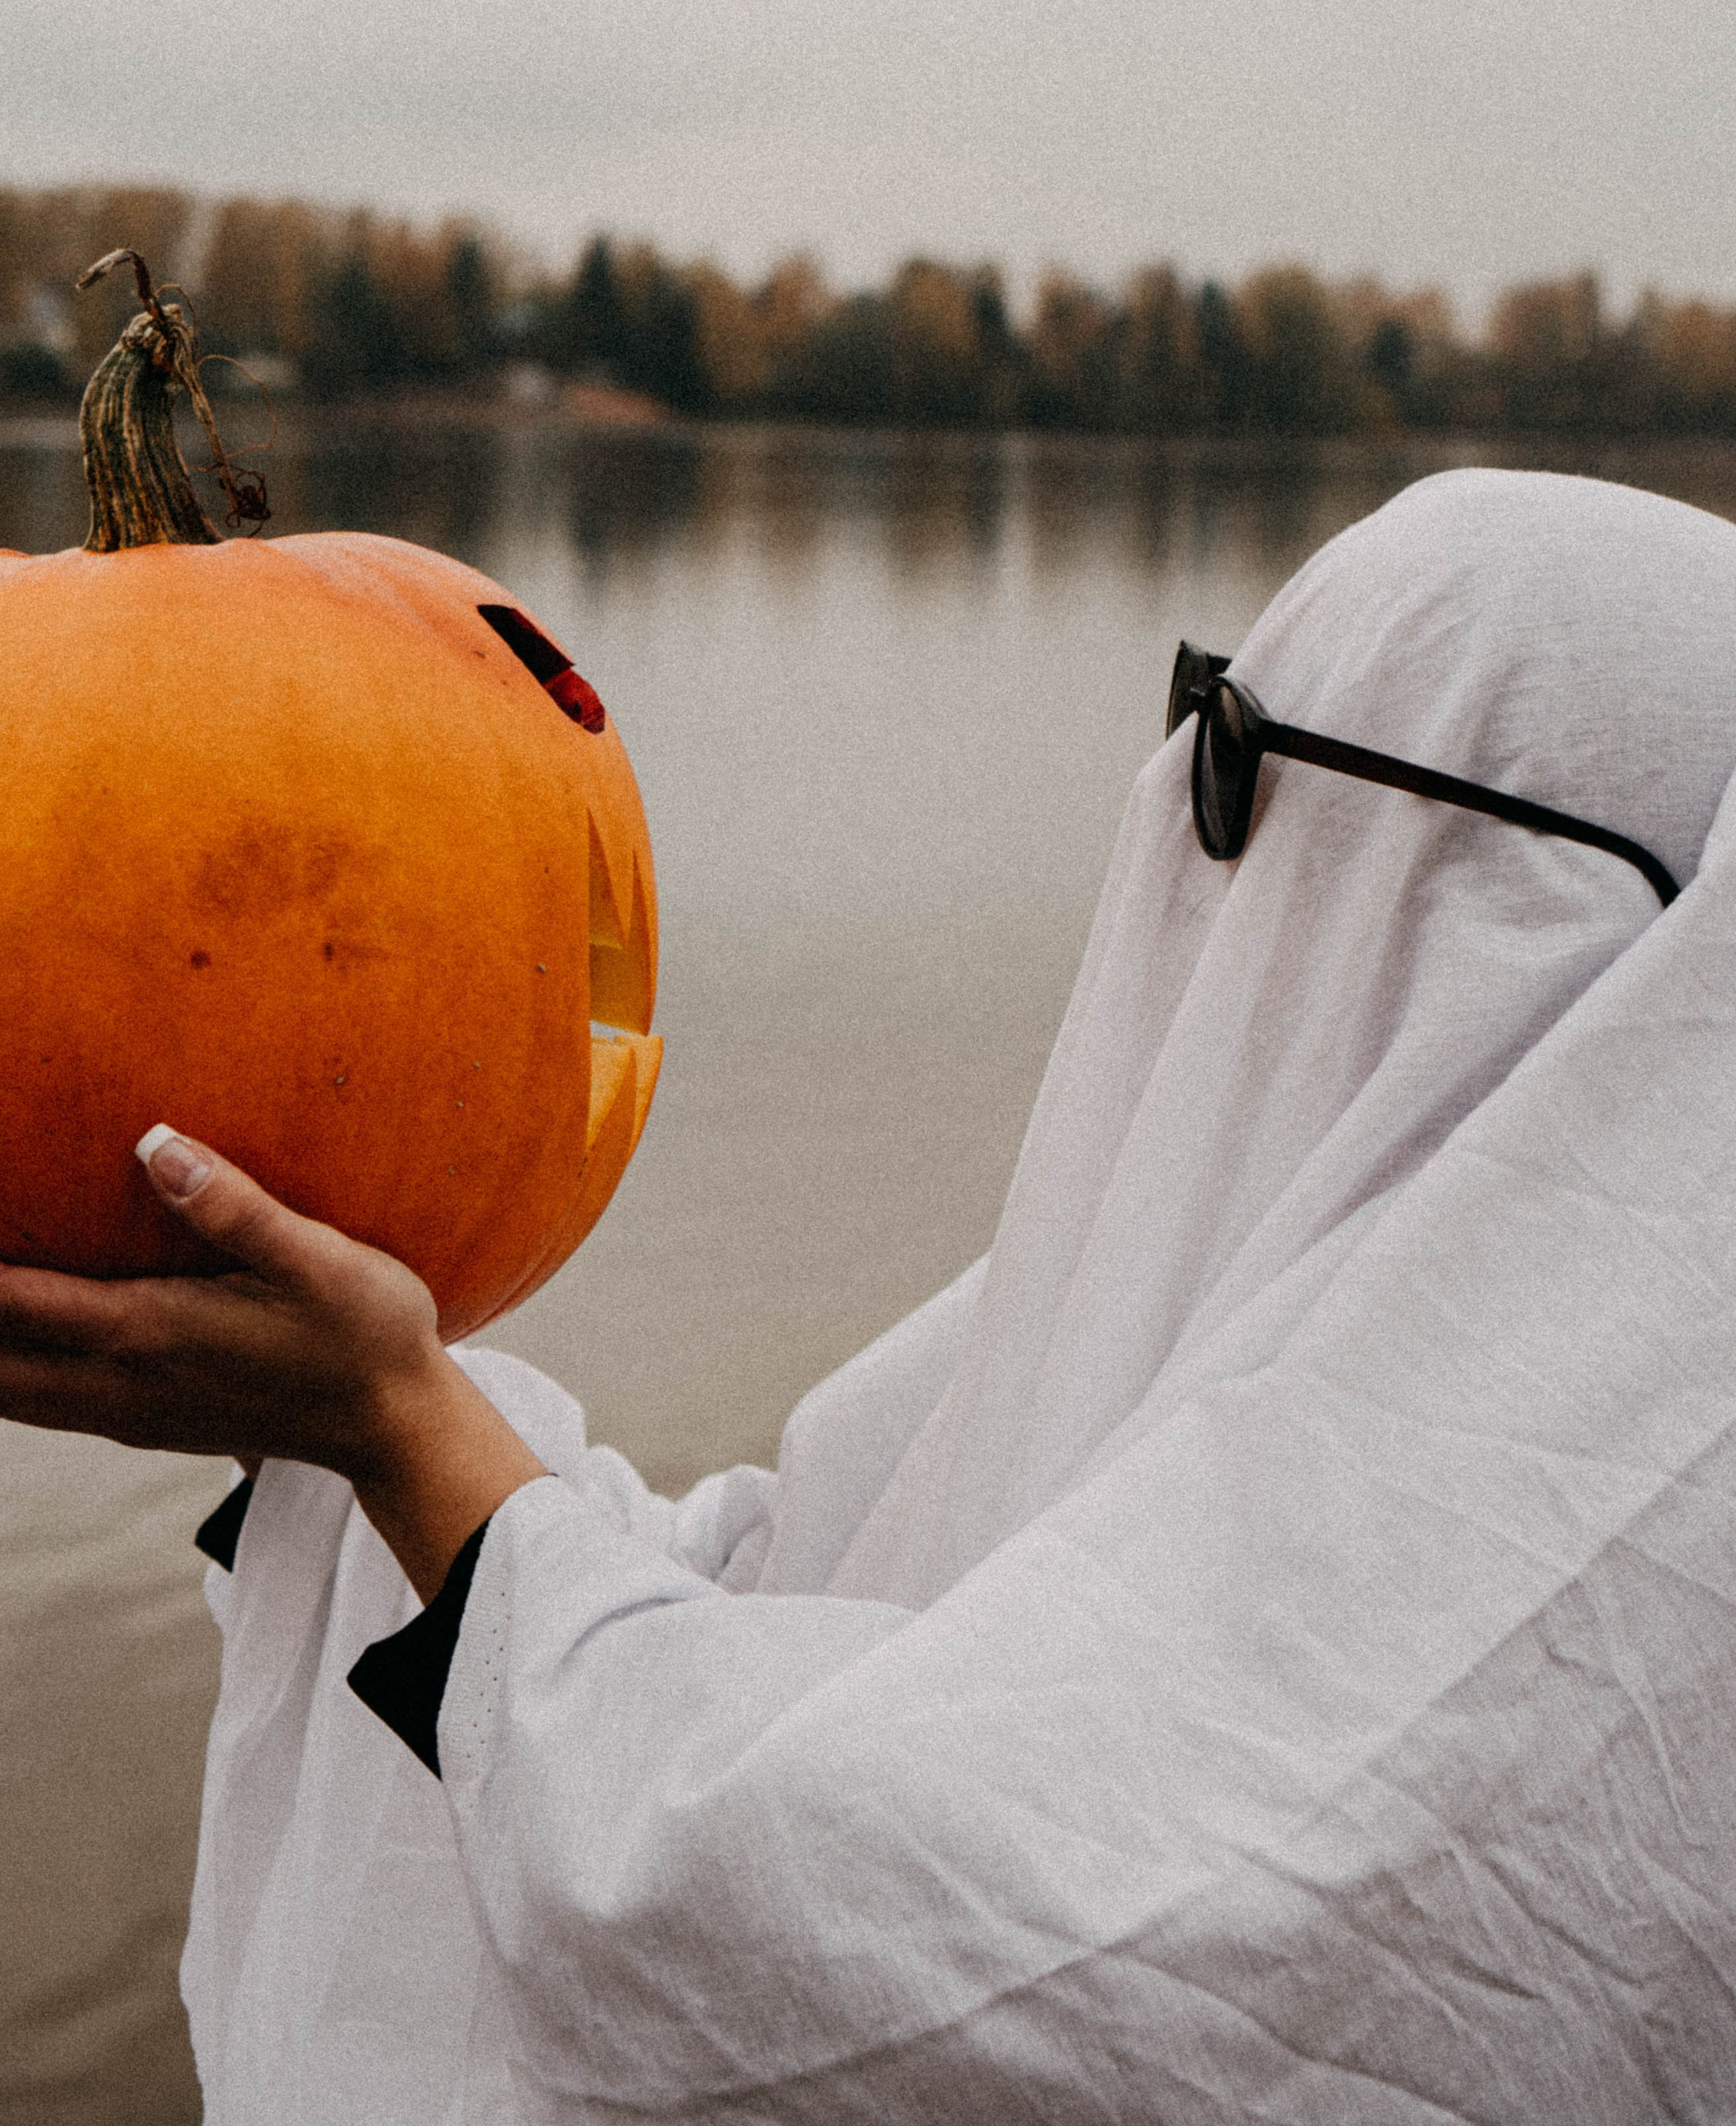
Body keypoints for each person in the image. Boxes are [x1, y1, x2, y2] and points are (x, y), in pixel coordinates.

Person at [5, 465, 1736, 2123]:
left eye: (1235, 764)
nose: (1191, 836)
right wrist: (342, 1426)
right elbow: (797, 1610)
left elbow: (925, 1951)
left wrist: (395, 1424)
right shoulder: (1261, 1311)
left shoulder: (1579, 1595)